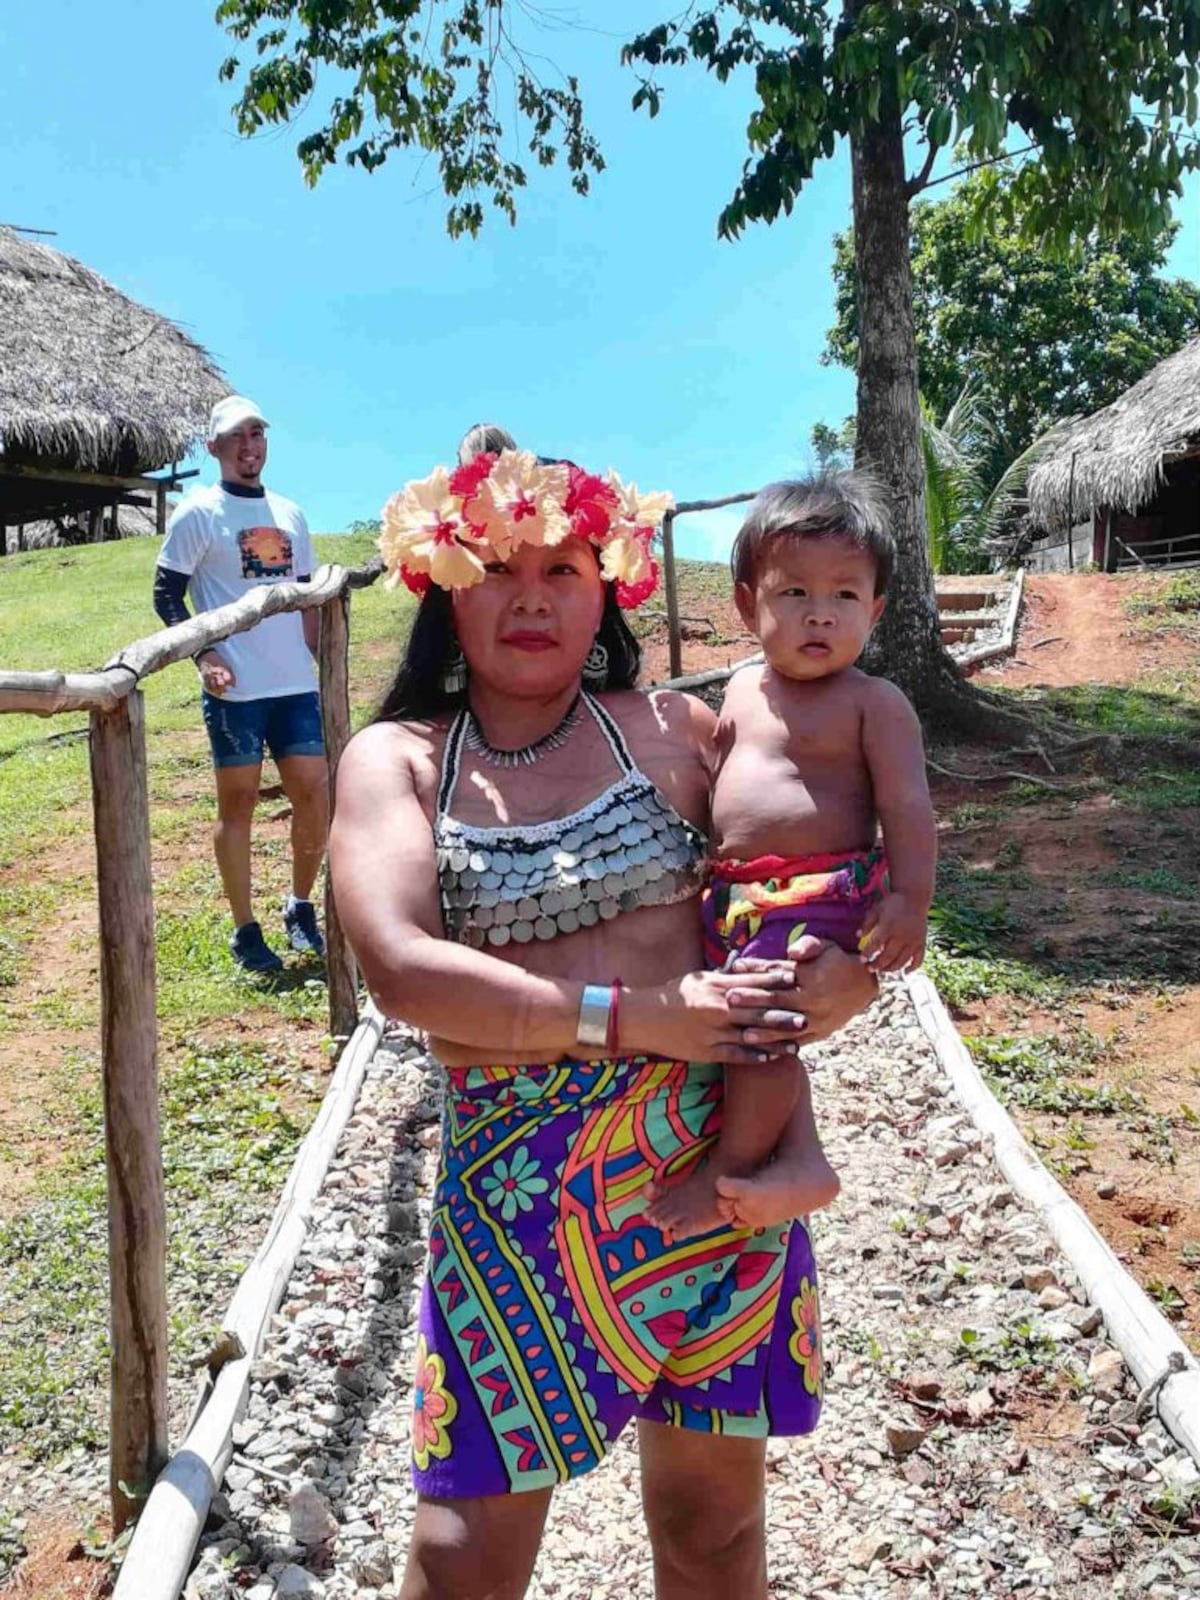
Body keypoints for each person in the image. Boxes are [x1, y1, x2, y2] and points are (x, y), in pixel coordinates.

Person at [329, 437, 878, 1600]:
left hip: (716, 1168)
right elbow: (402, 970)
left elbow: (820, 843)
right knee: (463, 1553)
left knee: (713, 1526)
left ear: (609, 586)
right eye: (499, 567)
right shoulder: (400, 761)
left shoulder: (684, 730)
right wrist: (638, 1018)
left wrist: (849, 974)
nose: (532, 597)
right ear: (443, 582)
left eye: (566, 569)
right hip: (513, 1196)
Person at [647, 472, 936, 1245]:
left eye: (845, 597)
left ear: (875, 612)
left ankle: (731, 1172)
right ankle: (802, 1155)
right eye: (794, 593)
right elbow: (717, 782)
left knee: (759, 1029)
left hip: (818, 894)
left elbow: (909, 808)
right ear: (748, 606)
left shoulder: (875, 703)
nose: (820, 614)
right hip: (737, 895)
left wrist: (909, 901)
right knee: (751, 1026)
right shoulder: (741, 689)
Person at [154, 395, 329, 972]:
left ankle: (300, 906)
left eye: (257, 434)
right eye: (237, 437)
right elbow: (165, 595)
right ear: (214, 448)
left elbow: (305, 598)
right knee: (240, 805)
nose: (250, 446)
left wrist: (320, 663)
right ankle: (245, 929)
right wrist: (204, 655)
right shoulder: (198, 514)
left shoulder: (291, 514)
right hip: (236, 691)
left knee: (315, 795)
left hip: (294, 688)